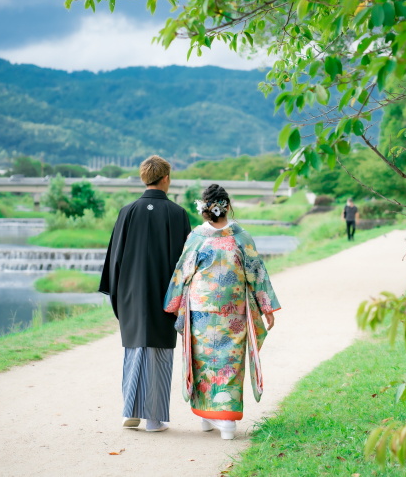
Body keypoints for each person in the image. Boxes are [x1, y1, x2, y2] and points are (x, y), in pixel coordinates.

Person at [164, 184, 280, 440]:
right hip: (233, 313)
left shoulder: (196, 237)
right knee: (230, 362)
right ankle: (216, 419)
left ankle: (214, 417)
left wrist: (174, 304)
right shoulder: (241, 236)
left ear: (205, 209)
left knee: (203, 361)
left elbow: (182, 272)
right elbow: (256, 273)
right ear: (227, 206)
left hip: (201, 312)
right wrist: (266, 307)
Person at [99, 155, 191, 432]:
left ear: (144, 178)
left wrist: (117, 294)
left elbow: (114, 259)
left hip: (131, 293)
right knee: (160, 353)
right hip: (165, 294)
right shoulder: (177, 214)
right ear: (166, 178)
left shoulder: (127, 212)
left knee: (135, 348)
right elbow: (186, 263)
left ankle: (130, 410)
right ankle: (154, 419)